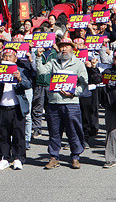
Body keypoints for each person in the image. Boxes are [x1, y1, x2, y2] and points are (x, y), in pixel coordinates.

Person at [35, 37, 89, 169]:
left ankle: (75, 156)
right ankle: (54, 157)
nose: (64, 49)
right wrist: (38, 57)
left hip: (71, 103)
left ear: (72, 48)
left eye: (67, 46)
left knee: (73, 131)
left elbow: (84, 82)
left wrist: (74, 92)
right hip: (54, 102)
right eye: (62, 46)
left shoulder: (78, 64)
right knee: (54, 131)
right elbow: (41, 72)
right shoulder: (54, 62)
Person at [0, 46, 32, 170]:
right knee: (2, 134)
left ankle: (18, 158)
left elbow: (28, 84)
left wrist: (19, 79)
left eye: (9, 56)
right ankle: (3, 158)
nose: (6, 58)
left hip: (17, 107)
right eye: (4, 56)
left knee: (18, 133)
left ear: (15, 59)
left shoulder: (20, 70)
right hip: (1, 106)